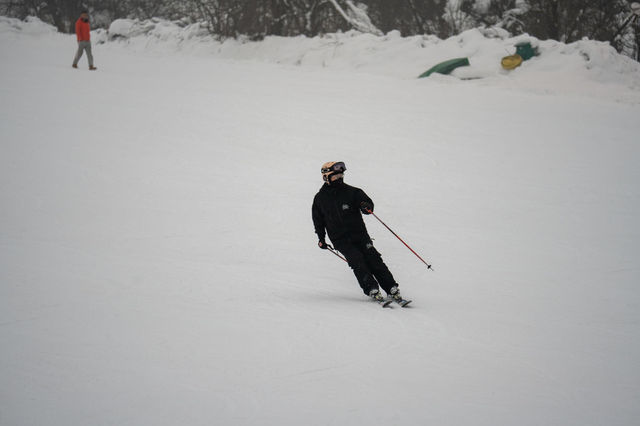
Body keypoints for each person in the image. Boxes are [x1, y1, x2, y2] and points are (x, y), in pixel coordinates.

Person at [312, 161, 405, 304]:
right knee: (357, 260)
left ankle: (391, 288)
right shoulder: (320, 199)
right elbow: (318, 221)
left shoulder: (353, 192)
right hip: (340, 240)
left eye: (341, 175)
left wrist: (366, 206)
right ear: (326, 177)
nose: (340, 179)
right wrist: (321, 238)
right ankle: (372, 289)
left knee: (374, 259)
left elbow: (365, 201)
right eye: (335, 176)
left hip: (360, 235)